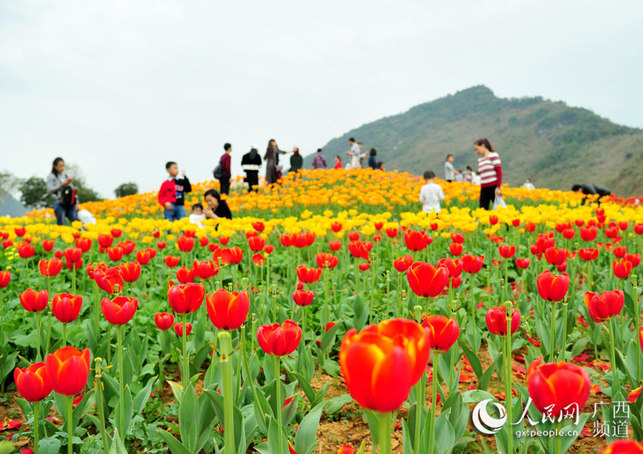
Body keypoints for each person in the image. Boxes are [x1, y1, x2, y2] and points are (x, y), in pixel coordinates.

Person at [46, 157, 78, 226]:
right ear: (55, 166)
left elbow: (72, 190)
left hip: (69, 202)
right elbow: (49, 189)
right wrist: (61, 185)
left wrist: (76, 203)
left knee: (75, 221)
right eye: (60, 166)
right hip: (59, 202)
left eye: (63, 166)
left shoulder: (65, 176)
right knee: (62, 223)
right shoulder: (51, 176)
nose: (62, 168)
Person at [474, 138, 502, 210]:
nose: (477, 152)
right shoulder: (480, 161)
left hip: (493, 187)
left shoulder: (493, 156)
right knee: (482, 211)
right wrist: (481, 193)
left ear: (483, 146)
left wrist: (498, 187)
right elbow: (482, 177)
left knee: (500, 210)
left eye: (477, 149)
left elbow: (499, 172)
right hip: (484, 188)